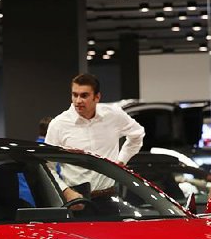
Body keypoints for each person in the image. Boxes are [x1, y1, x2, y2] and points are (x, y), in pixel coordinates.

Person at [45, 73, 145, 212]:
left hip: (109, 198)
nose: (78, 100)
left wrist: (121, 162)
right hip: (76, 201)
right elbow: (46, 166)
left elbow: (137, 134)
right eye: (75, 95)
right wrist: (66, 191)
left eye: (84, 95)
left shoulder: (114, 115)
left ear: (97, 97)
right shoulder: (59, 124)